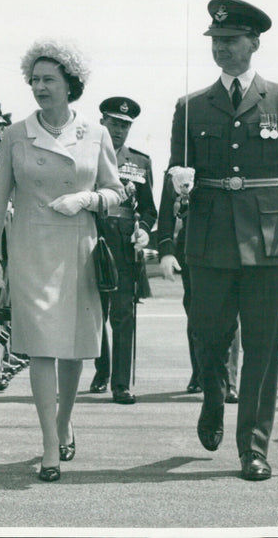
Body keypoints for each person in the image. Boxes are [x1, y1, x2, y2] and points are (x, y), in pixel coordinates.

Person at [167, 0, 278, 481]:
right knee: (209, 335)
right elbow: (175, 175)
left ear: (254, 43)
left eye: (231, 41)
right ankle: (213, 395)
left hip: (270, 238)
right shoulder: (190, 107)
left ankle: (253, 447)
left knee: (262, 346)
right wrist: (167, 240)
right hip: (208, 238)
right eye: (216, 42)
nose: (222, 50)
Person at [0, 39, 124, 481]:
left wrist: (87, 197)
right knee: (41, 347)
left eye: (49, 80)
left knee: (74, 348)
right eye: (35, 80)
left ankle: (64, 422)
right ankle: (48, 443)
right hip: (31, 249)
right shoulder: (15, 134)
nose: (40, 87)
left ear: (69, 85)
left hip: (79, 248)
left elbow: (117, 195)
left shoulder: (96, 134)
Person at [87, 97, 156, 404]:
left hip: (124, 243)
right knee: (94, 312)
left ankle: (121, 383)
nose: (119, 130)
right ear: (102, 122)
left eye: (125, 125)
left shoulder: (140, 162)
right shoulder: (84, 156)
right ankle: (102, 368)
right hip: (91, 238)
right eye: (114, 123)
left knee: (123, 314)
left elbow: (150, 211)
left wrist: (143, 231)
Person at [157, 177, 242, 403]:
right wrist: (166, 248)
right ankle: (201, 373)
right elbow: (166, 211)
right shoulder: (179, 168)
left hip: (229, 236)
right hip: (192, 240)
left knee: (231, 311)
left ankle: (230, 381)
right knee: (196, 310)